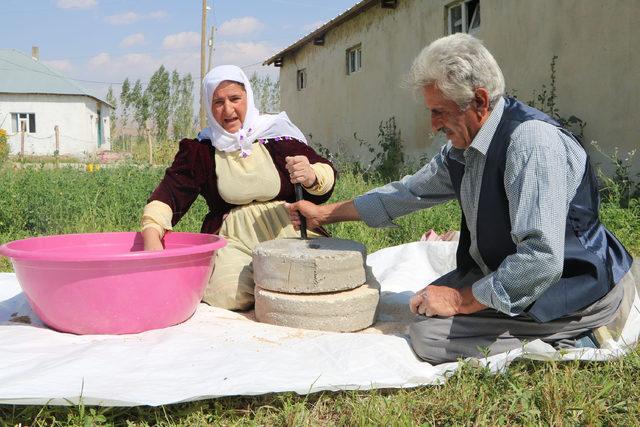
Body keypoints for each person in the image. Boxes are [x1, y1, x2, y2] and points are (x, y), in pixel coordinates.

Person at [287, 33, 636, 364]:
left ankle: (580, 331)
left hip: (571, 286)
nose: (433, 125)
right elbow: (408, 192)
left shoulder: (531, 145)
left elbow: (541, 261)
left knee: (430, 335)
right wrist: (324, 213)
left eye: (439, 111)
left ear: (480, 101)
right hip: (516, 273)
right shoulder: (464, 147)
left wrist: (459, 298)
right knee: (421, 304)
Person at [142, 65, 336, 311]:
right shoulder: (202, 150)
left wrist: (311, 175)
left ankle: (276, 285)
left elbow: (325, 174)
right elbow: (171, 193)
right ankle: (269, 286)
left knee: (311, 274)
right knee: (227, 294)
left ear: (248, 98)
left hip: (287, 227)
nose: (228, 109)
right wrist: (152, 233)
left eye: (235, 99)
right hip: (233, 238)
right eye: (218, 102)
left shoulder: (277, 136)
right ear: (209, 108)